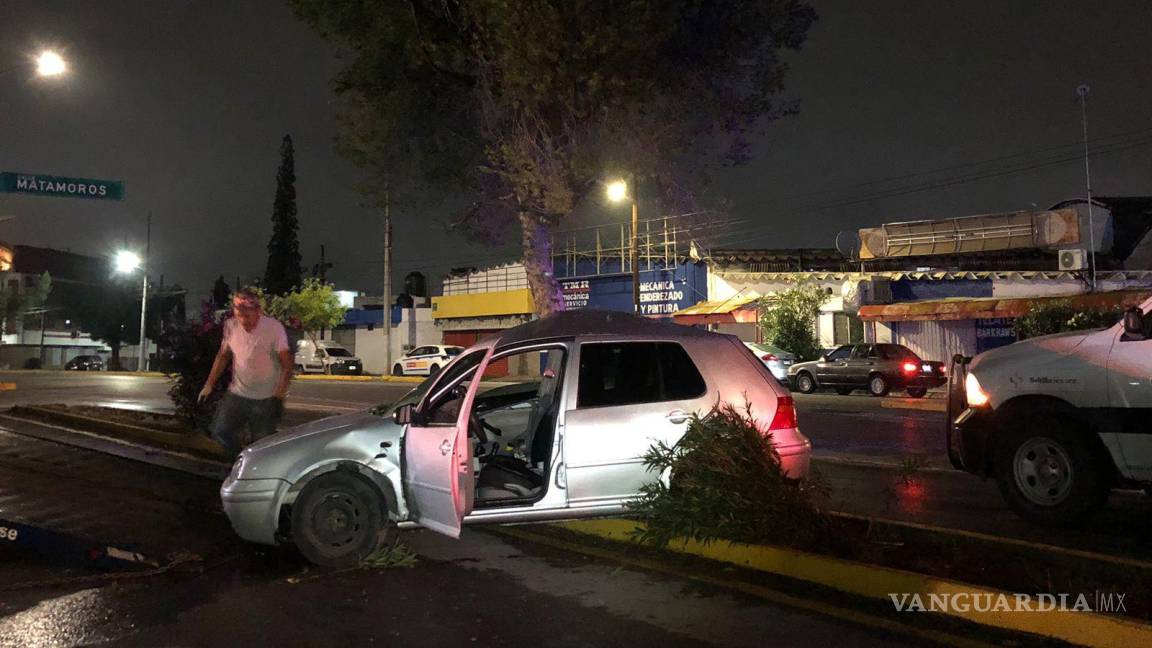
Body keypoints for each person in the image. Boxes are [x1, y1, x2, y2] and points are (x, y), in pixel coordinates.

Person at [199, 288, 293, 457]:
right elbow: (223, 355)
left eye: (248, 316)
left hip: (266, 398)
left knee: (262, 444)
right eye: (239, 315)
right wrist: (209, 384)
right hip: (237, 394)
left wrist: (279, 396)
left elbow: (287, 364)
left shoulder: (274, 328)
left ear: (258, 311)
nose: (244, 321)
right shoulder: (231, 326)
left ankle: (257, 471)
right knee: (220, 431)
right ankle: (240, 461)